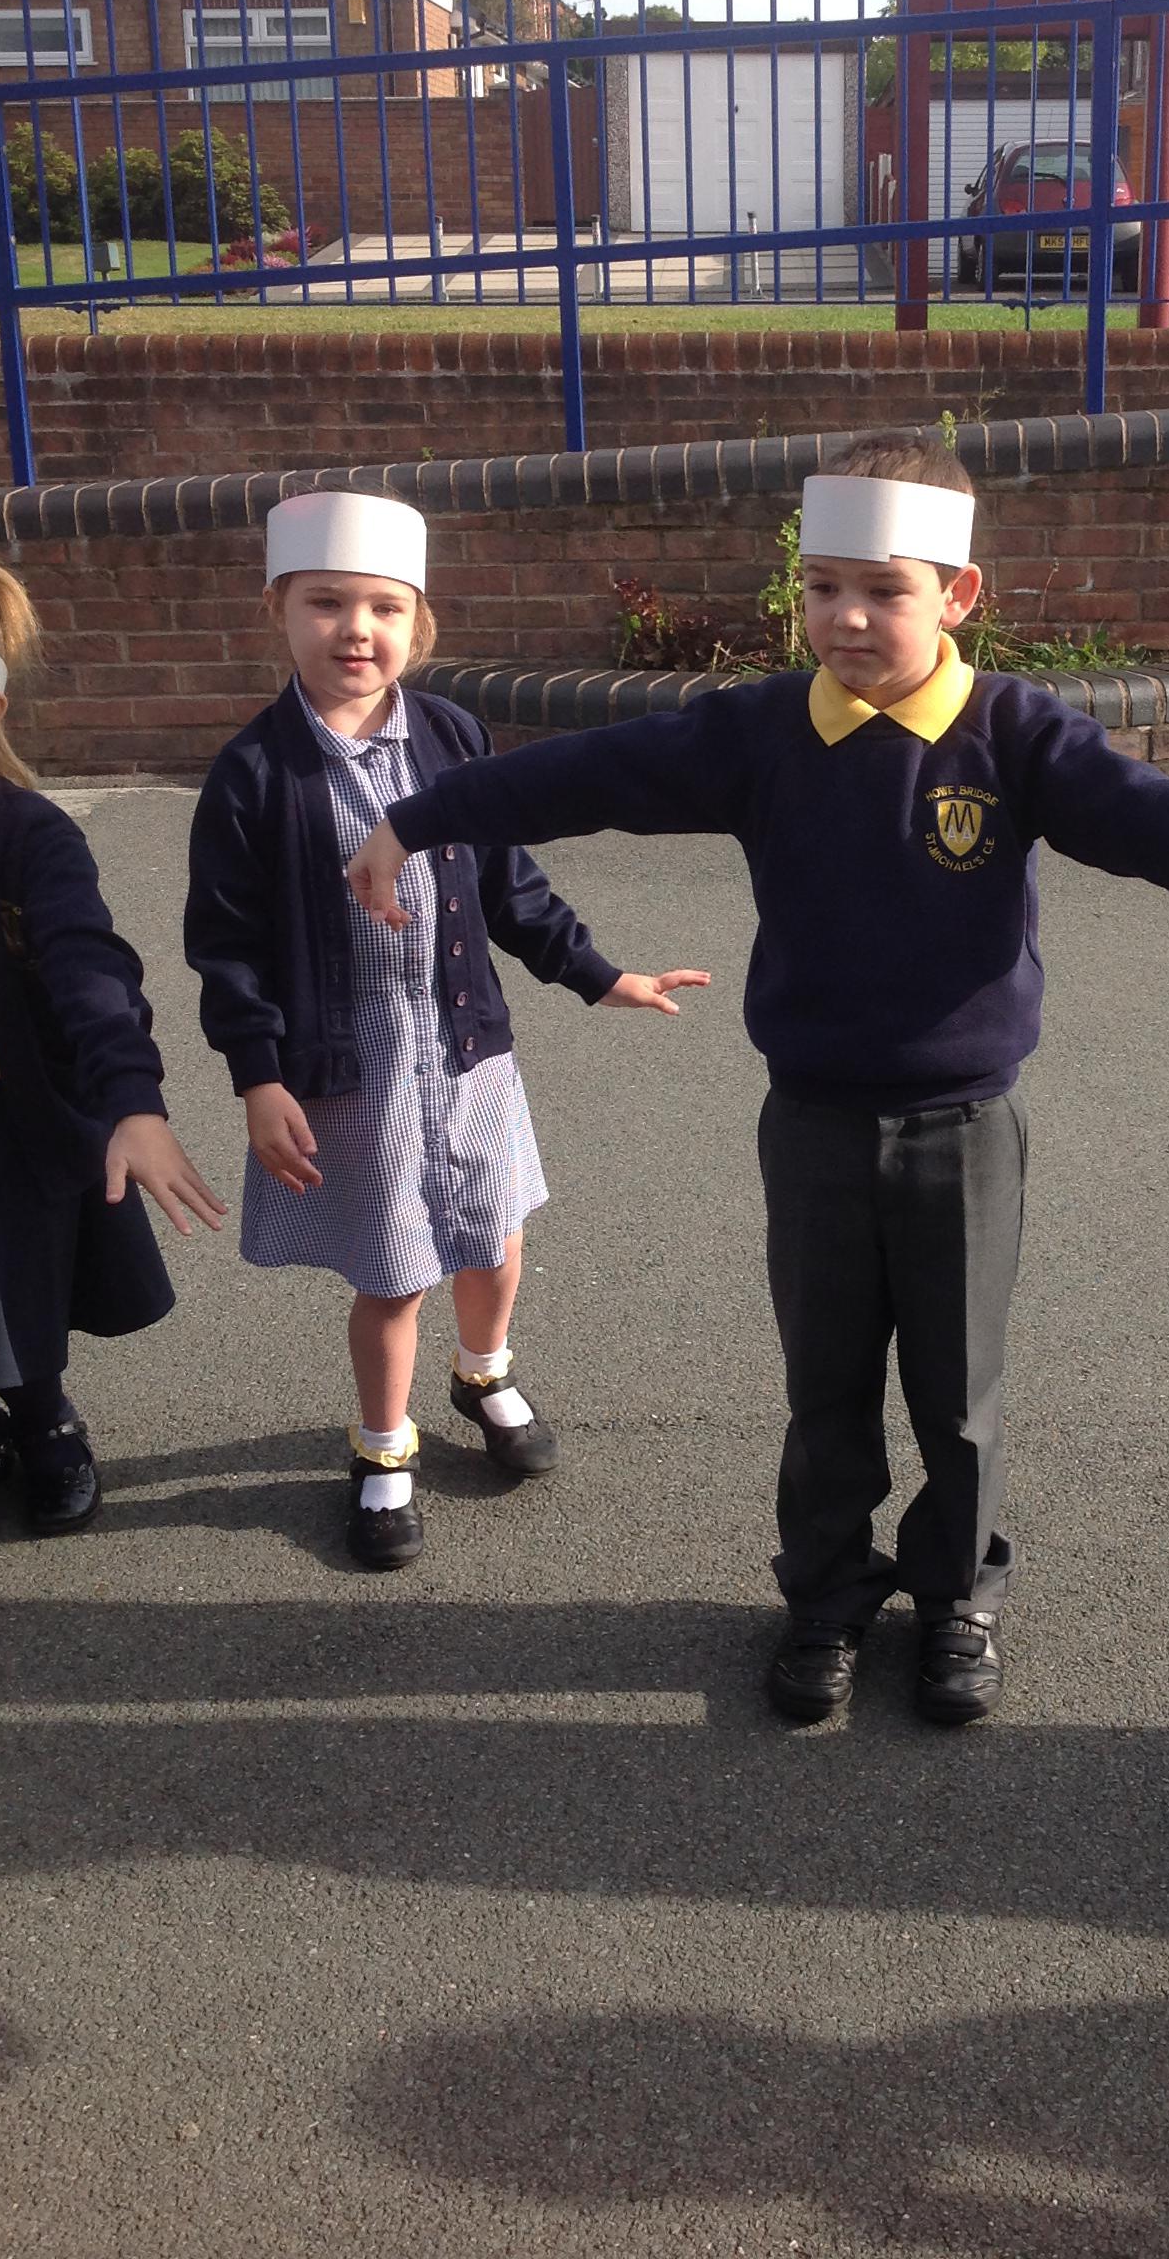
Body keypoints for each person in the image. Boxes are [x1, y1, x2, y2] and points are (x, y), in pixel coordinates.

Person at [345, 435, 1169, 1719]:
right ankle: (826, 1596)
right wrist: (415, 820)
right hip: (814, 1121)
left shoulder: (1015, 735)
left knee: (957, 1398)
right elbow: (588, 775)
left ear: (959, 595)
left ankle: (957, 1594)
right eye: (823, 586)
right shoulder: (760, 732)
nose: (847, 617)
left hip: (966, 1125)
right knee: (827, 1390)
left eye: (884, 590)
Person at [184, 491, 708, 1570]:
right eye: (326, 603)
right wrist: (257, 1077)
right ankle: (383, 1448)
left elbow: (511, 883)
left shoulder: (452, 735)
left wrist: (599, 975)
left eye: (384, 607)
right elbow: (226, 944)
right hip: (353, 1067)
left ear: (418, 621)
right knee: (393, 1275)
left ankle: (483, 1372)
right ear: (278, 608)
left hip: (468, 1054)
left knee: (496, 1235)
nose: (356, 630)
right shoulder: (253, 773)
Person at [0, 533, 223, 1551]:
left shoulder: (28, 837)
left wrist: (133, 1102)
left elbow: (92, 972)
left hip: (6, 1112)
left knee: (14, 1294)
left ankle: (44, 1422)